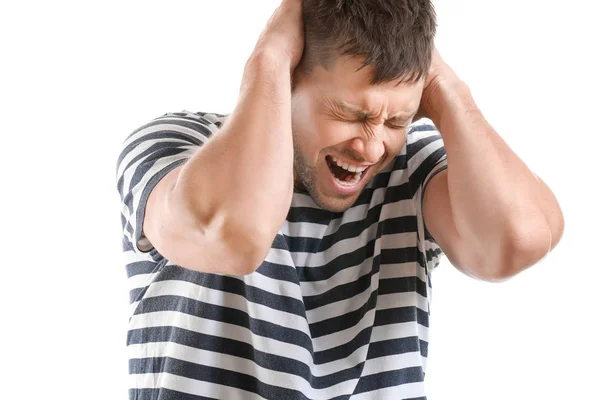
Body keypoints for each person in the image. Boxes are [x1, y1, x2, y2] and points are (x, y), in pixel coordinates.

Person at [115, 0, 564, 398]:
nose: (371, 148)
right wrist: (267, 60)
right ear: (290, 77)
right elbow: (234, 236)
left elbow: (517, 242)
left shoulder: (411, 169)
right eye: (351, 114)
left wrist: (450, 92)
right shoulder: (175, 147)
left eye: (395, 121)